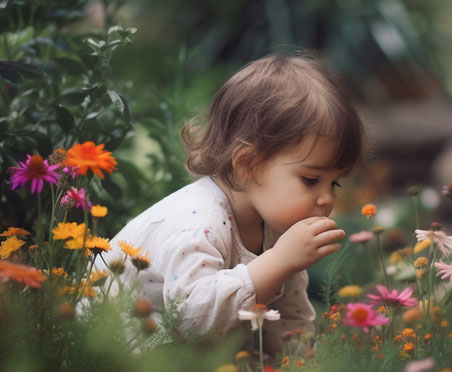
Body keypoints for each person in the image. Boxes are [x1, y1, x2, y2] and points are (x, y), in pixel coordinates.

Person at [100, 51, 366, 355]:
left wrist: (301, 359)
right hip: (110, 350)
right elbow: (190, 320)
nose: (327, 198)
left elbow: (288, 318)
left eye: (335, 183)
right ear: (247, 164)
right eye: (310, 180)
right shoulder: (198, 223)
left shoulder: (278, 228)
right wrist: (278, 261)